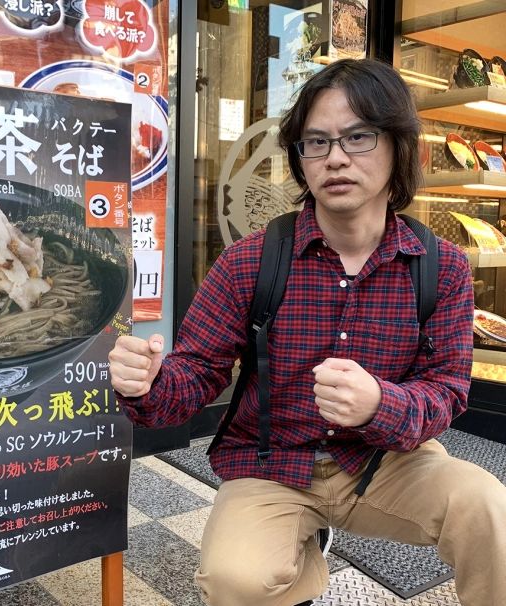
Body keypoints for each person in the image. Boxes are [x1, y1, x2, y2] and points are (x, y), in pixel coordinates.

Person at [109, 58, 506, 606]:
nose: (335, 158)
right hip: (272, 463)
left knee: (489, 508)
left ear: (400, 149)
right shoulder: (251, 261)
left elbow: (447, 390)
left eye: (358, 137)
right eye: (316, 142)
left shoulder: (441, 268)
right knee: (236, 579)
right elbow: (198, 372)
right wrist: (148, 382)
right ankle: (298, 559)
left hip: (386, 460)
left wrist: (380, 404)